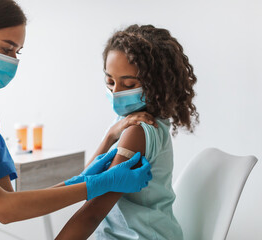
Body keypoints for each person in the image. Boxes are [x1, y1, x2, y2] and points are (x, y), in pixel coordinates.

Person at [0, 1, 156, 239]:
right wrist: (99, 183)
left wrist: (84, 177)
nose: (12, 61)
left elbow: (10, 200)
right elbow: (3, 209)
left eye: (17, 52)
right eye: (6, 49)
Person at [56, 24, 199, 240]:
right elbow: (87, 181)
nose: (115, 92)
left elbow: (93, 212)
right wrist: (109, 137)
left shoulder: (138, 129)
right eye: (110, 81)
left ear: (156, 84)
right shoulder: (126, 123)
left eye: (129, 84)